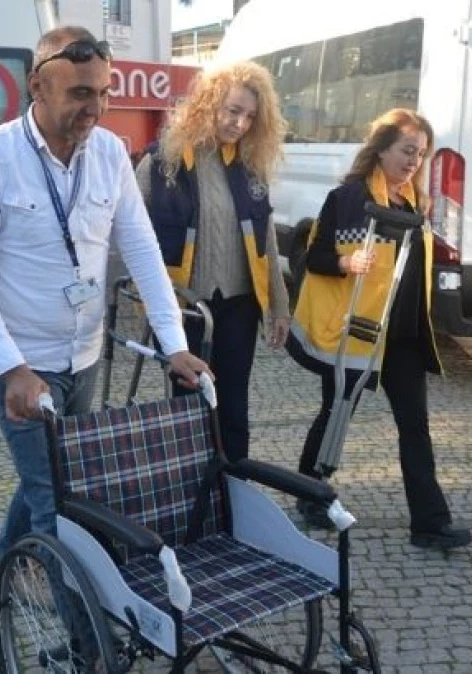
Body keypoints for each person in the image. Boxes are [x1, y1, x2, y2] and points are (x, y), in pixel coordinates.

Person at [0, 26, 211, 566]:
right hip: (24, 363)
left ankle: (8, 557)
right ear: (37, 86)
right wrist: (11, 368)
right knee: (59, 502)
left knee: (54, 473)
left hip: (84, 356)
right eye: (81, 93)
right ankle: (73, 619)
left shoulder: (110, 153)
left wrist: (174, 343)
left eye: (104, 93)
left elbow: (142, 251)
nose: (97, 108)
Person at [288, 108, 472, 551]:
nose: (413, 161)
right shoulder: (346, 198)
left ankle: (430, 524)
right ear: (382, 149)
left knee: (415, 427)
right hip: (361, 333)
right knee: (336, 413)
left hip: (404, 336)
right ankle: (310, 495)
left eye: (420, 154)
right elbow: (312, 258)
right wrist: (346, 261)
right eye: (407, 150)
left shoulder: (415, 202)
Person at [135, 61, 290, 463]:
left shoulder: (250, 166)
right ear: (207, 105)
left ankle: (234, 487)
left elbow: (266, 240)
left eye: (250, 116)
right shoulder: (162, 163)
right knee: (188, 407)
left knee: (234, 406)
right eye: (233, 111)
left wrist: (279, 304)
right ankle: (192, 490)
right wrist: (147, 304)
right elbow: (133, 239)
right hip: (184, 306)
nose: (241, 123)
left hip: (239, 304)